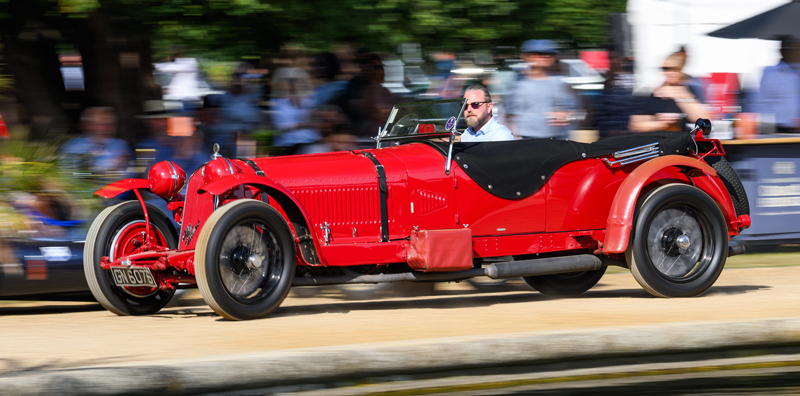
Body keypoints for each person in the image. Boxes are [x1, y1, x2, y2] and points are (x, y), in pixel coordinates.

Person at [505, 39, 577, 139]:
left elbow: (574, 111)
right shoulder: (517, 82)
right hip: (529, 138)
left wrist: (567, 115)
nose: (546, 56)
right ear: (528, 57)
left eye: (550, 53)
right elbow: (508, 112)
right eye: (540, 53)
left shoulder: (560, 81)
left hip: (558, 138)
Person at [629, 51, 707, 133]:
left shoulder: (690, 89)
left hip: (685, 141)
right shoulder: (653, 93)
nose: (670, 73)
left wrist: (679, 95)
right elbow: (636, 125)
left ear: (681, 70)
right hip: (660, 141)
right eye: (665, 68)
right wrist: (663, 123)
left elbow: (703, 119)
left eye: (675, 69)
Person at [61, 107, 131, 181]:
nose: (106, 128)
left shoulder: (120, 145)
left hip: (119, 191)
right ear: (87, 125)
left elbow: (131, 174)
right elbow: (68, 175)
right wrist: (100, 174)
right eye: (101, 124)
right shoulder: (73, 147)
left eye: (111, 124)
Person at [754, 37, 800, 133]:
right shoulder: (772, 73)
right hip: (780, 127)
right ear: (781, 51)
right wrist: (765, 129)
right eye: (788, 49)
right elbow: (762, 103)